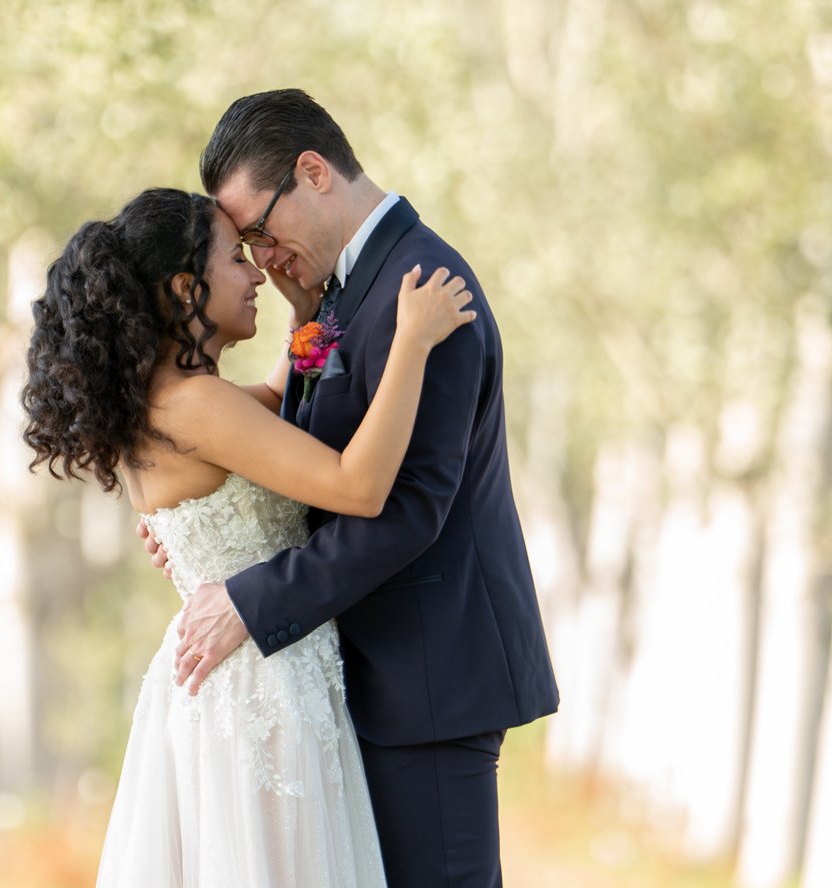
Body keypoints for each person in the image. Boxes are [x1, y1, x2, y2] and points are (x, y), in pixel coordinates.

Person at [149, 89, 560, 887]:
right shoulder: (342, 291)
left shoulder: (425, 290)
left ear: (313, 172)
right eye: (246, 245)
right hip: (366, 679)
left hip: (430, 681)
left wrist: (249, 600)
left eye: (259, 231)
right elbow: (302, 449)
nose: (262, 259)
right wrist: (200, 515)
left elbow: (406, 508)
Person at [22, 185, 477, 887]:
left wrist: (305, 319)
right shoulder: (196, 405)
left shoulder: (162, 402)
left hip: (230, 679)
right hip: (263, 688)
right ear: (186, 288)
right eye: (236, 258)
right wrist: (410, 344)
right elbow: (359, 487)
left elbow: (267, 406)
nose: (257, 272)